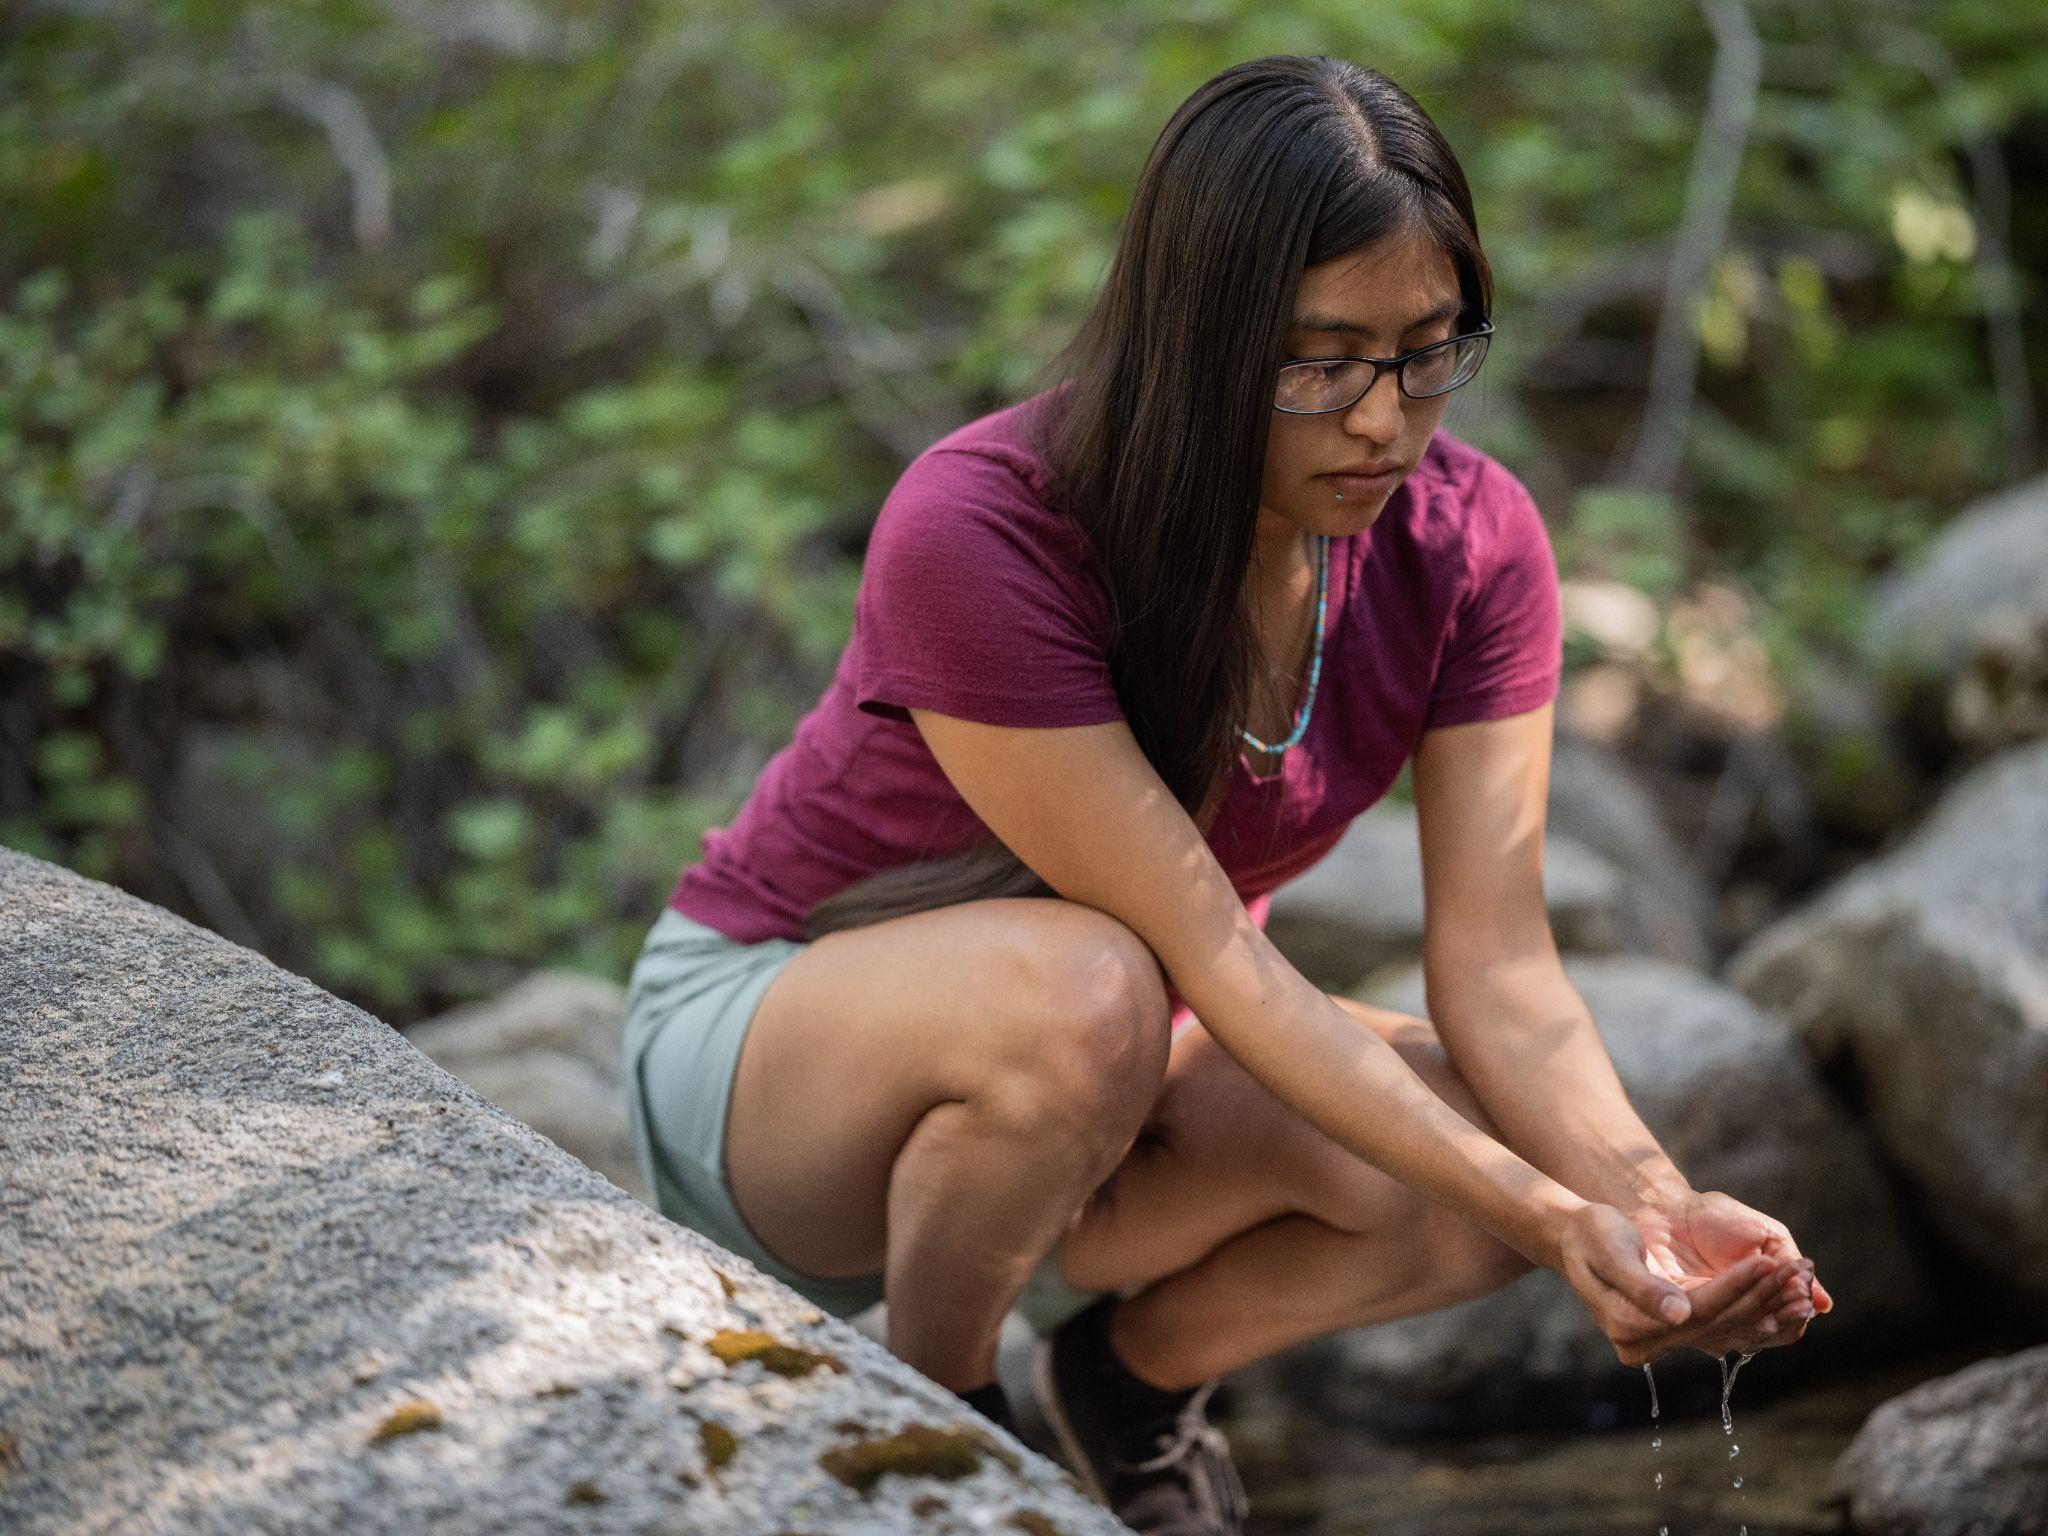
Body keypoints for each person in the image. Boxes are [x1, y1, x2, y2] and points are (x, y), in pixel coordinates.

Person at [622, 52, 1831, 1536]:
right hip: (783, 1065)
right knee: (1093, 987)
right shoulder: (989, 527)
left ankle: (1130, 1389)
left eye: (1428, 350)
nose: (1384, 420)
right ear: (1195, 336)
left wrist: (1645, 1209)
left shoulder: (1470, 544)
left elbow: (1505, 973)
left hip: (1119, 1074)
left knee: (1468, 1139)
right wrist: (1555, 1217)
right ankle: (936, 1434)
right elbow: (1204, 947)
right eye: (1319, 359)